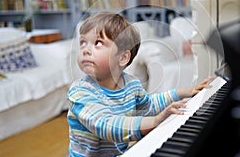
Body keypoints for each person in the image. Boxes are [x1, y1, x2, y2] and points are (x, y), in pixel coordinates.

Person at [67, 11, 214, 157]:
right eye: (83, 43)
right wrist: (155, 121)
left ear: (123, 58)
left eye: (97, 43)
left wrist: (185, 92)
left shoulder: (131, 85)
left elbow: (149, 105)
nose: (85, 50)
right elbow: (106, 125)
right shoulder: (80, 92)